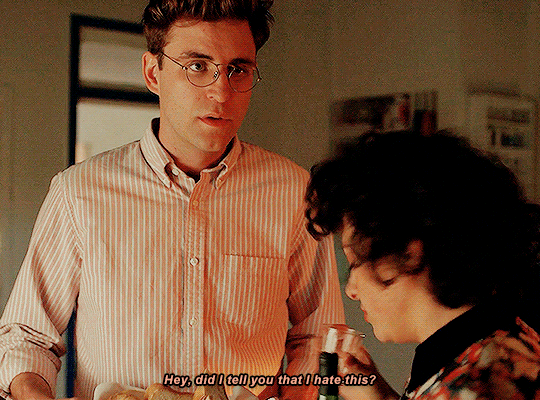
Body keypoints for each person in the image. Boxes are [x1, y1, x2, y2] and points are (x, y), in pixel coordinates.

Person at [0, 1, 344, 400]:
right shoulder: (79, 192)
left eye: (237, 69)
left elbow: (318, 335)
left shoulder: (293, 192)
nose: (221, 91)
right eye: (197, 66)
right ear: (153, 73)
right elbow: (26, 337)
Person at [305, 130, 540, 399]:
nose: (351, 290)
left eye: (355, 262)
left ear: (410, 253)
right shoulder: (500, 341)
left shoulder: (480, 383)